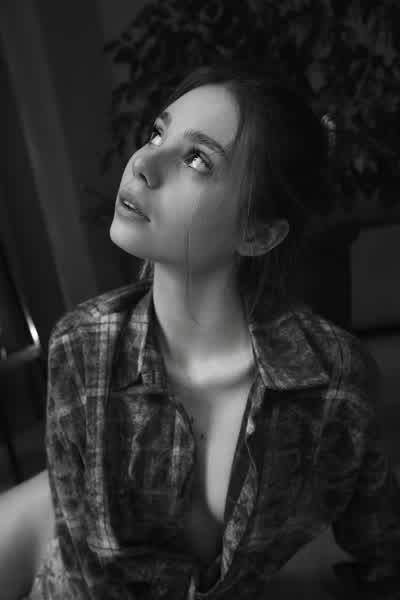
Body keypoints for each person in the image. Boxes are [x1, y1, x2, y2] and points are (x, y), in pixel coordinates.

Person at [26, 60, 399, 599]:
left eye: (197, 158)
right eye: (158, 133)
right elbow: (86, 575)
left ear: (258, 234)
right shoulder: (82, 345)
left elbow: (382, 546)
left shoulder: (333, 381)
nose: (142, 163)